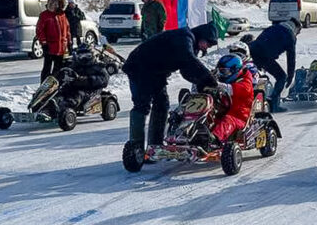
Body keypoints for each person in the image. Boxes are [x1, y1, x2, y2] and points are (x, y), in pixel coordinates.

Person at [122, 22, 219, 152]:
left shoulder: (191, 44)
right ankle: (136, 149)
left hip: (156, 72)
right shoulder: (185, 37)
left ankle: (155, 145)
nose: (206, 47)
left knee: (162, 103)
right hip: (139, 66)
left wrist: (202, 83)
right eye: (207, 43)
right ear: (202, 36)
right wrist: (209, 79)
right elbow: (189, 60)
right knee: (142, 104)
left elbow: (187, 70)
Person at [249, 17, 301, 113]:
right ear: (296, 28)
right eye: (298, 32)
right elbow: (291, 58)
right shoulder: (290, 35)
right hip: (264, 56)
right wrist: (290, 76)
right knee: (281, 77)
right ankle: (274, 104)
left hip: (252, 51)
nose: (297, 34)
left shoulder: (274, 27)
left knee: (253, 76)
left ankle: (251, 99)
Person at [210, 54, 254, 143]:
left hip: (239, 117)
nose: (221, 75)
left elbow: (230, 89)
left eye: (224, 72)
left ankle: (213, 139)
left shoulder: (246, 84)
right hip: (223, 112)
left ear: (235, 70)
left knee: (228, 120)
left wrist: (216, 85)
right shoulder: (229, 79)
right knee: (208, 117)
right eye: (220, 71)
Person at [59, 44, 109, 110]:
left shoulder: (98, 66)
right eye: (81, 56)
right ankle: (49, 106)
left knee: (77, 94)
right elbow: (69, 73)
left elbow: (104, 80)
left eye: (87, 56)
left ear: (92, 55)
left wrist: (87, 80)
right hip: (76, 87)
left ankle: (67, 106)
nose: (84, 58)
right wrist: (65, 77)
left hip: (91, 90)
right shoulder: (76, 65)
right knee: (60, 90)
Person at [36, 0, 71, 83]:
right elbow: (40, 30)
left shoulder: (62, 15)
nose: (55, 6)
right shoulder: (44, 15)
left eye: (57, 4)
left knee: (58, 69)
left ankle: (56, 86)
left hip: (61, 47)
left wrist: (69, 42)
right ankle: (44, 87)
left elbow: (67, 30)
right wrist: (44, 43)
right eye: (53, 4)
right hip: (50, 47)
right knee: (47, 68)